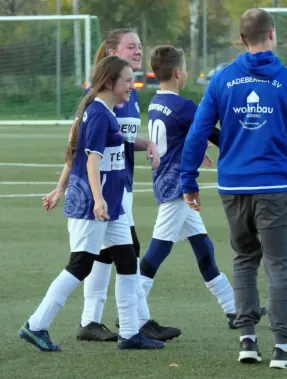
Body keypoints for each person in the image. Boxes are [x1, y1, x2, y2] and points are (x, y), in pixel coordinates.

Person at [179, 8, 287, 369]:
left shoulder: (222, 79)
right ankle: (284, 348)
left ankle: (247, 341)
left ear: (242, 39)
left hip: (232, 187)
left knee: (244, 261)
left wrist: (188, 180)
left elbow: (197, 133)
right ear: (273, 34)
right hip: (273, 185)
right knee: (278, 264)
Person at [19, 56, 165, 352]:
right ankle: (36, 326)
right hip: (93, 206)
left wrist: (147, 143)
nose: (132, 85)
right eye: (127, 80)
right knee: (80, 264)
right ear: (110, 82)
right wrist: (97, 200)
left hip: (110, 206)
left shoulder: (104, 112)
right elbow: (92, 162)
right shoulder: (98, 114)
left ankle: (130, 333)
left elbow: (97, 147)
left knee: (127, 261)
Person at [43, 28, 179, 342]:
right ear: (112, 52)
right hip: (103, 188)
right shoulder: (104, 96)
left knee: (114, 253)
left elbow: (121, 141)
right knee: (117, 252)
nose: (138, 51)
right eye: (131, 46)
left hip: (121, 184)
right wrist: (62, 187)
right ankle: (126, 322)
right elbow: (80, 148)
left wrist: (148, 144)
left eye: (140, 46)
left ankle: (100, 322)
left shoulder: (128, 95)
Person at [139, 45, 267, 332]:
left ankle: (235, 311)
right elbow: (212, 133)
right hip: (177, 186)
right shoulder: (185, 106)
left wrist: (193, 151)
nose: (185, 73)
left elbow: (178, 137)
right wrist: (246, 149)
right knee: (156, 253)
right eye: (184, 69)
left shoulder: (156, 101)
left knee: (204, 248)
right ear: (178, 72)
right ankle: (131, 314)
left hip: (166, 180)